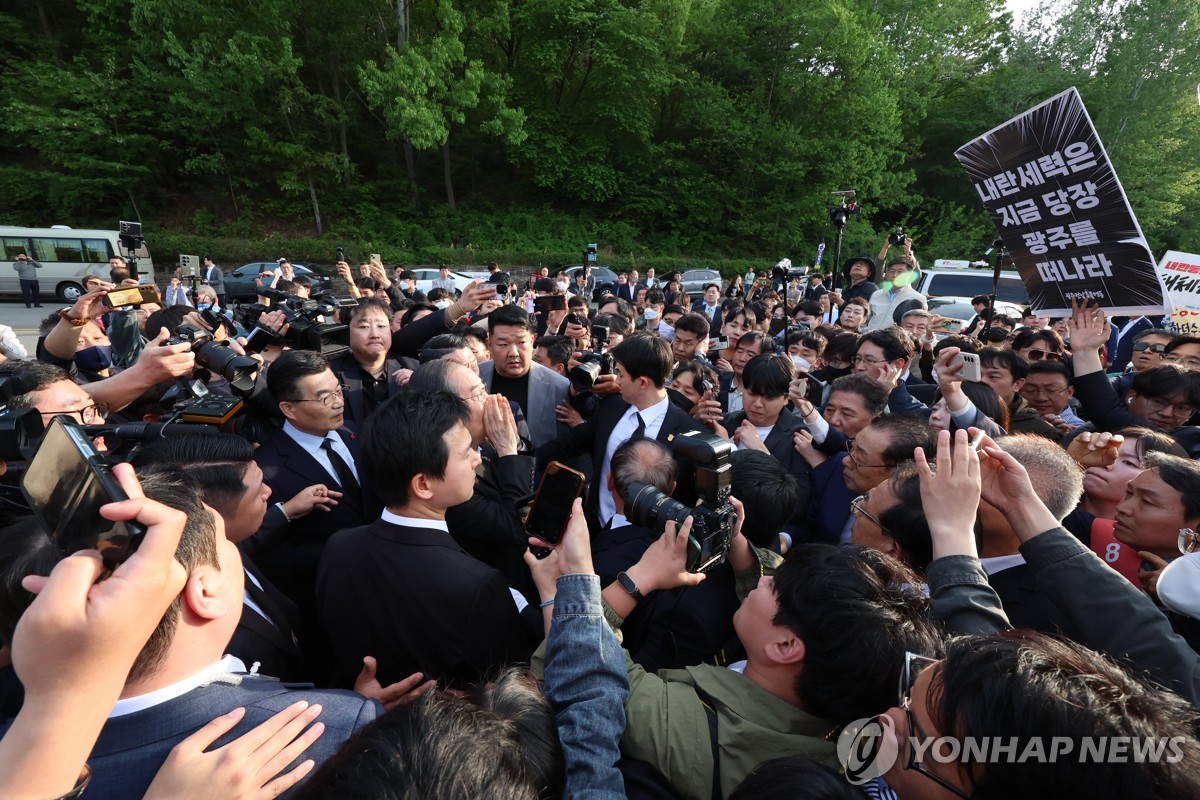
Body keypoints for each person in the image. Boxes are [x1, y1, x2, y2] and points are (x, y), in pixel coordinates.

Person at [0, 466, 379, 799]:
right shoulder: (341, 730)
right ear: (205, 592)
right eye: (224, 539)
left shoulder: (15, 754)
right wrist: (357, 715)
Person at [527, 496, 943, 800]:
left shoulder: (681, 726)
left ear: (786, 646)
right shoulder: (844, 718)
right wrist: (737, 544)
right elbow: (783, 594)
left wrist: (637, 578)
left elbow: (574, 661)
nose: (765, 578)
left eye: (774, 587)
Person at [316, 390, 532, 690]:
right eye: (466, 452)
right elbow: (507, 686)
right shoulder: (476, 584)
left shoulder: (339, 547)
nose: (477, 458)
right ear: (423, 484)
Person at [253, 350, 379, 662]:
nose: (338, 402)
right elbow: (270, 556)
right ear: (288, 408)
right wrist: (347, 550)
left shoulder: (354, 432)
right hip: (328, 606)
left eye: (339, 390)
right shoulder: (265, 469)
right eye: (325, 397)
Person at [536, 333, 705, 529]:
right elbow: (571, 443)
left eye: (621, 374)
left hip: (649, 540)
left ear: (643, 383)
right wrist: (523, 458)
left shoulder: (688, 432)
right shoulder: (612, 407)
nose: (616, 380)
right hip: (595, 527)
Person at [479, 304, 571, 448]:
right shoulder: (474, 378)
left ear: (532, 340)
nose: (513, 353)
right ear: (489, 344)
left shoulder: (559, 386)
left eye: (521, 342)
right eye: (503, 344)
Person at [328, 299, 405, 426]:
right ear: (346, 331)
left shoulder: (412, 368)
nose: (375, 334)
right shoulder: (331, 373)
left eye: (381, 326)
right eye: (364, 327)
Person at [866, 256, 926, 331]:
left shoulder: (917, 298)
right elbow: (865, 319)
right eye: (892, 271)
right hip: (870, 336)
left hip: (895, 337)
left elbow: (920, 327)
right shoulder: (876, 294)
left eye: (900, 272)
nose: (894, 275)